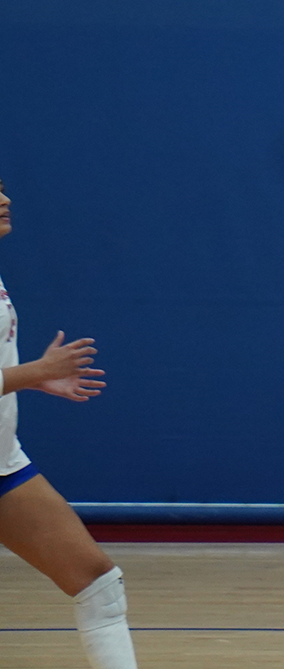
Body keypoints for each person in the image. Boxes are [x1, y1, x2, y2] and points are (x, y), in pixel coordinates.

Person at [0, 179, 140, 668]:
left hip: (3, 466)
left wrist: (27, 380)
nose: (5, 199)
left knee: (97, 584)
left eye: (1, 188)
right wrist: (35, 372)